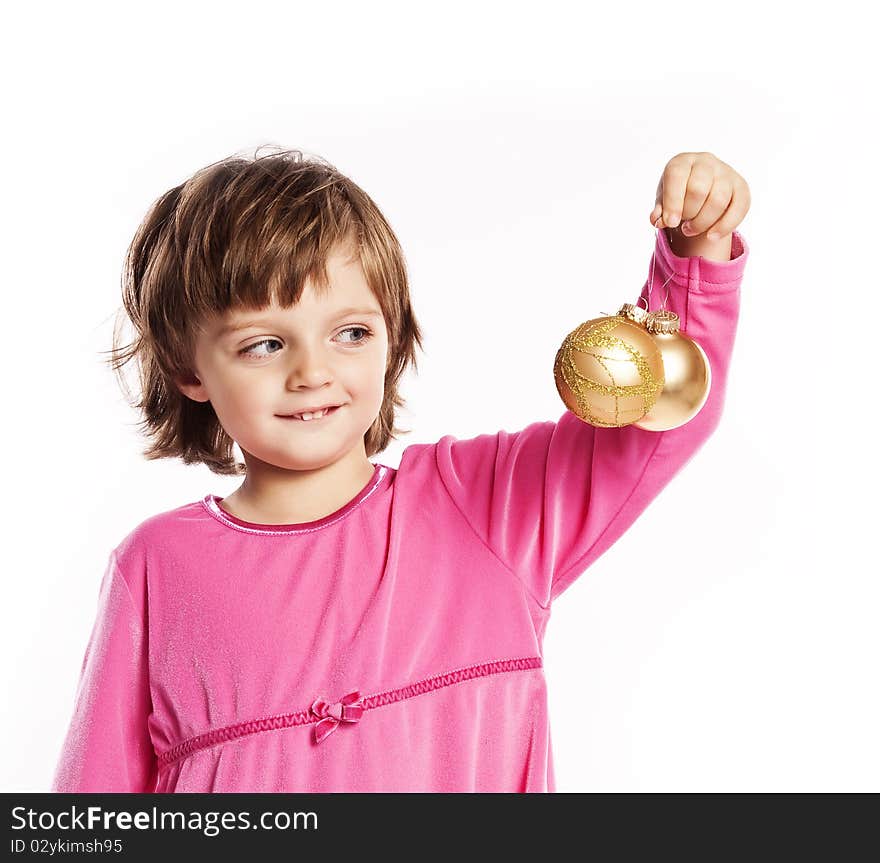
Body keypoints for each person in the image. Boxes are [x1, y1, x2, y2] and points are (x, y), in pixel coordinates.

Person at [50, 147, 750, 792]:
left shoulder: (487, 509)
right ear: (186, 368)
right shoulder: (156, 567)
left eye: (350, 332)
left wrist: (693, 256)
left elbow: (656, 425)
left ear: (392, 335)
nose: (313, 372)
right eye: (264, 344)